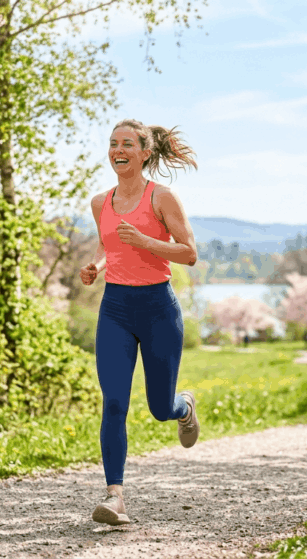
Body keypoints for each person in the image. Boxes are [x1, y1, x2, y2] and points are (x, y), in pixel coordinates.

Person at [79, 119, 201, 526]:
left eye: (127, 143)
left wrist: (146, 242)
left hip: (158, 310)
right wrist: (95, 266)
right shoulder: (101, 202)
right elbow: (106, 245)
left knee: (158, 407)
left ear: (144, 153)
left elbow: (188, 253)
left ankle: (183, 407)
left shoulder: (162, 198)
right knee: (113, 402)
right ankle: (115, 497)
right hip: (114, 308)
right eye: (113, 143)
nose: (119, 149)